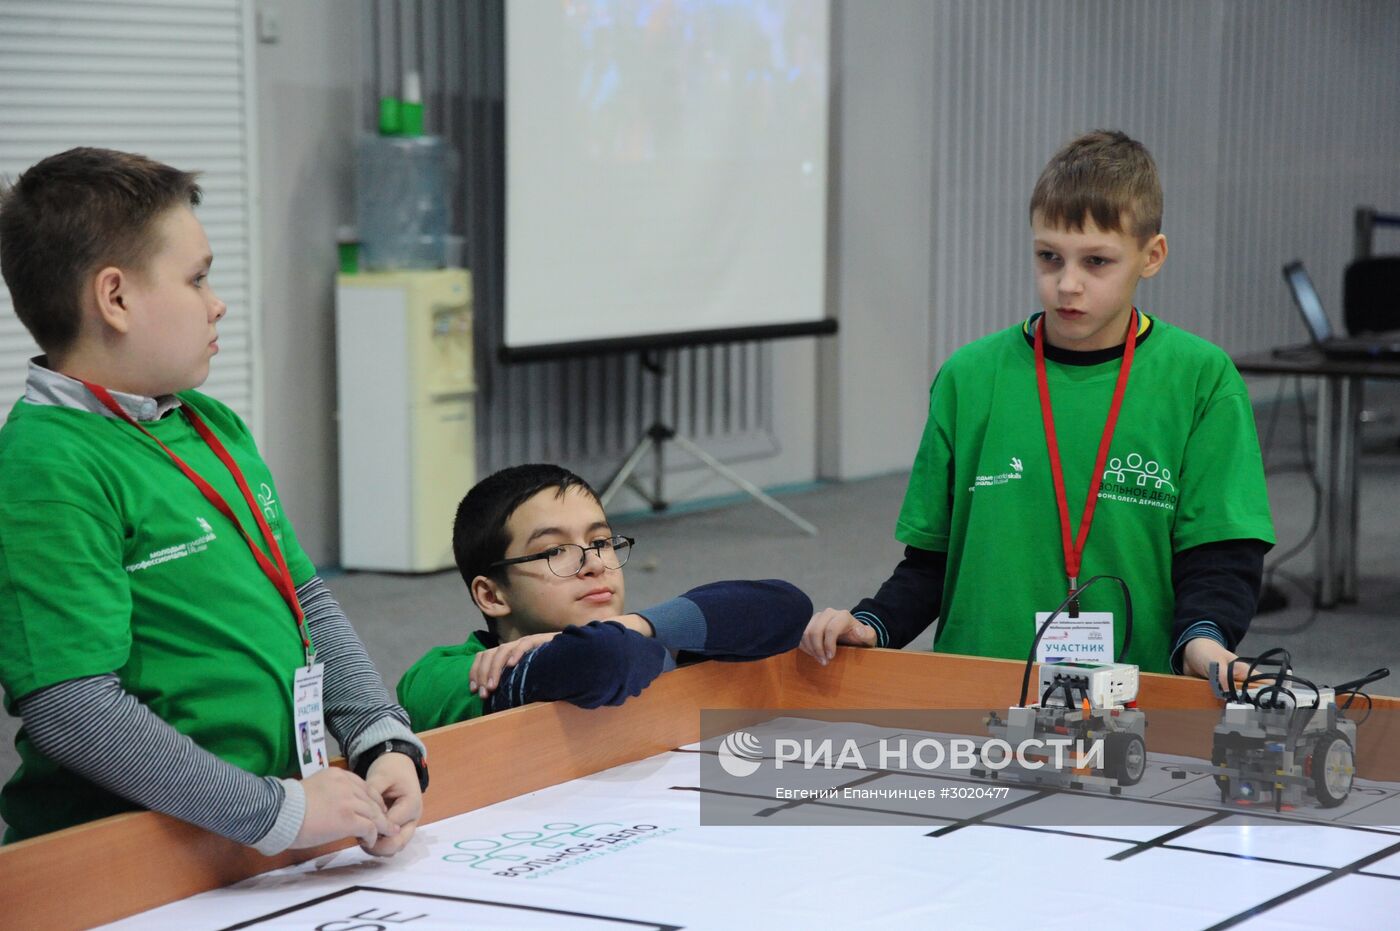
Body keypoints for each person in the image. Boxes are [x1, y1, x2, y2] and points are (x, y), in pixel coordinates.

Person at [0, 147, 427, 853]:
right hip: (124, 854)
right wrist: (272, 811)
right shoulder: (47, 464)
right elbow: (73, 709)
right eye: (197, 278)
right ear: (115, 298)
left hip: (248, 829)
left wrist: (379, 733)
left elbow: (306, 599)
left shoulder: (205, 422)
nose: (217, 300)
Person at [802, 130, 1274, 680]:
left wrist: (1206, 642)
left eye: (1096, 262)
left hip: (1136, 699)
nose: (1066, 284)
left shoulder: (1201, 379)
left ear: (1152, 256)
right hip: (977, 690)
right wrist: (874, 624)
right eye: (1049, 257)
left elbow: (1221, 557)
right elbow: (933, 562)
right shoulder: (969, 378)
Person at [397, 464, 811, 729]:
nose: (594, 563)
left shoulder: (635, 634)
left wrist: (633, 624)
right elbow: (606, 661)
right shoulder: (441, 678)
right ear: (491, 595)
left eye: (600, 541)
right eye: (555, 550)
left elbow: (788, 607)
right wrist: (632, 638)